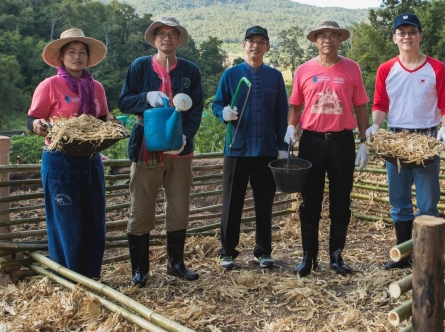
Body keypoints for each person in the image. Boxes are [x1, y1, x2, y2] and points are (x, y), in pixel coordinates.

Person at [119, 16, 204, 287]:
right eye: (162, 34)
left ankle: (176, 264)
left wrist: (185, 136)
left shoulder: (190, 71)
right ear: (154, 38)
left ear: (179, 39)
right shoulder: (140, 66)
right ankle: (140, 269)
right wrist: (146, 97)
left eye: (173, 34)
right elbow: (124, 102)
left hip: (180, 150)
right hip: (147, 145)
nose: (167, 38)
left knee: (179, 205)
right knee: (142, 205)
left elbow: (196, 109)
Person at [367, 13, 445, 269]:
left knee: (427, 202)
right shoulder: (386, 69)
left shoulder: (436, 68)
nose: (407, 37)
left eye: (412, 32)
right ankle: (404, 255)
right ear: (394, 38)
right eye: (402, 33)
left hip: (426, 139)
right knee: (399, 201)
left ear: (420, 36)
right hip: (396, 139)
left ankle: (425, 259)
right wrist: (375, 124)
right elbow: (380, 104)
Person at [285, 21, 369, 276]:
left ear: (340, 40)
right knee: (309, 200)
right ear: (315, 41)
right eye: (322, 36)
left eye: (333, 36)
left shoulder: (351, 68)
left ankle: (336, 256)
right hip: (311, 141)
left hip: (342, 141)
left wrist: (363, 141)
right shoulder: (304, 70)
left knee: (341, 199)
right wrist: (291, 127)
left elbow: (360, 106)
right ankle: (308, 257)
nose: (328, 40)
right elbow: (296, 105)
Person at [27, 28, 110, 279]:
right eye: (71, 52)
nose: (77, 57)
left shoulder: (96, 88)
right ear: (62, 57)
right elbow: (33, 118)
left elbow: (102, 120)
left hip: (91, 160)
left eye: (82, 52)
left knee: (94, 219)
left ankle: (91, 277)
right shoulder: (50, 85)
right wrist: (38, 125)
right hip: (60, 160)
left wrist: (111, 126)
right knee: (66, 222)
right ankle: (69, 280)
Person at [212, 26, 289, 270]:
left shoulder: (275, 77)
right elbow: (217, 104)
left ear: (267, 47)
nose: (256, 45)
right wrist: (223, 113)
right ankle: (227, 251)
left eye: (261, 41)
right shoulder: (231, 74)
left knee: (264, 202)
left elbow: (282, 113)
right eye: (251, 41)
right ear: (244, 45)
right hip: (237, 148)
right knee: (231, 201)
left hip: (266, 150)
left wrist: (283, 147)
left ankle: (263, 251)